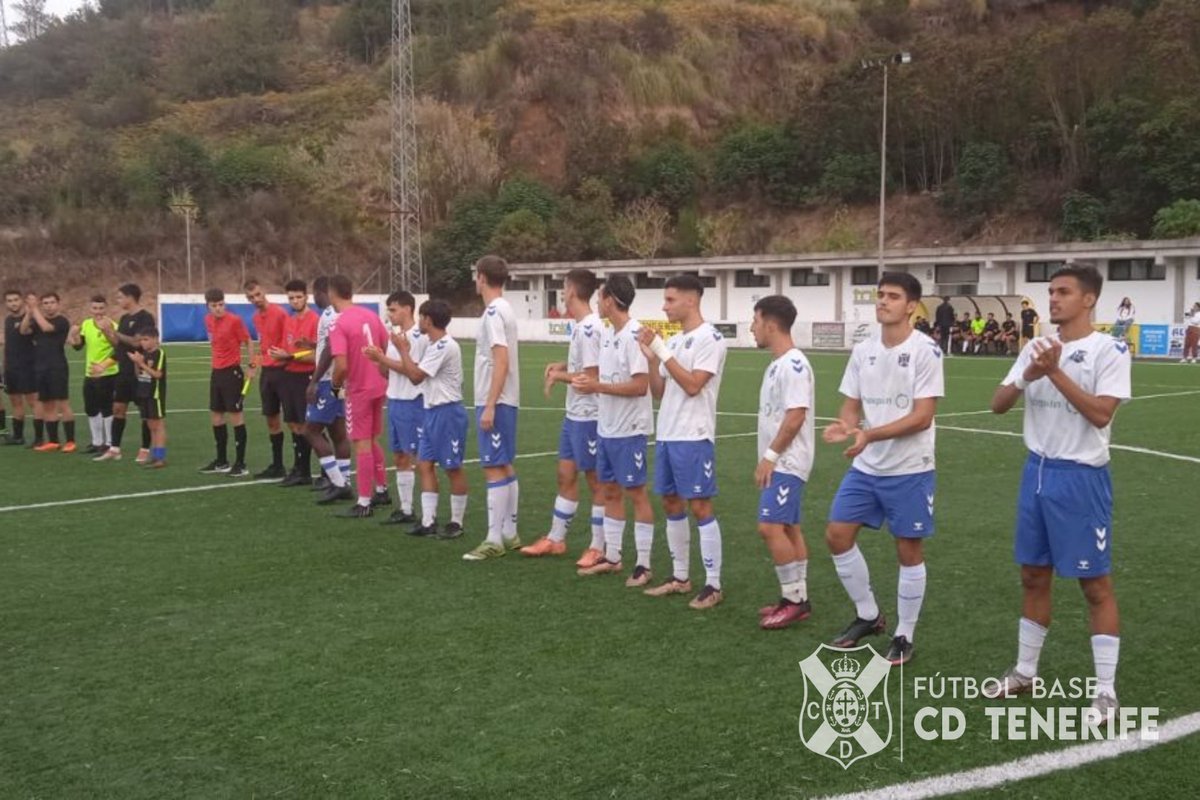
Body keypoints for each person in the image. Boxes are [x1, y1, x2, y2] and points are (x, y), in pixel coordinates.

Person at [985, 265, 1131, 722]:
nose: (1053, 299)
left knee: (1094, 584)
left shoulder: (1109, 349)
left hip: (1080, 478)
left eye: (1063, 292)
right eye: (1050, 292)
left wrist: (1055, 373)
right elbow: (998, 404)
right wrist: (1031, 371)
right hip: (1038, 474)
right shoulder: (1036, 346)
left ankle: (1105, 691)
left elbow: (1101, 414)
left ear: (1088, 300)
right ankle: (1026, 672)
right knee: (1033, 576)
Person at [822, 272, 944, 666]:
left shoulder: (926, 350)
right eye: (880, 295)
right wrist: (847, 426)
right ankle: (869, 614)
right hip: (867, 466)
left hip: (910, 468)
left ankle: (904, 635)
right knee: (837, 535)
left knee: (908, 549)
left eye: (892, 297)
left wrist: (869, 435)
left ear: (911, 306)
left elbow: (923, 417)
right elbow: (850, 403)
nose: (883, 302)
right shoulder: (864, 349)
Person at [638, 274, 729, 610]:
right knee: (671, 504)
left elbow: (693, 385)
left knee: (701, 507)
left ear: (691, 300)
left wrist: (660, 350)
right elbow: (660, 391)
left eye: (670, 300)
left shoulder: (711, 338)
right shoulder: (674, 342)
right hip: (668, 434)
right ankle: (680, 577)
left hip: (693, 436)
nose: (664, 306)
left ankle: (713, 584)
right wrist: (652, 359)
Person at [571, 275, 655, 582]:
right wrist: (585, 383)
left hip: (630, 429)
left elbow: (640, 386)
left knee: (636, 493)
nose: (596, 302)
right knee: (610, 491)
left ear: (609, 300)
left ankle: (644, 563)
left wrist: (597, 386)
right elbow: (601, 381)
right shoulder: (608, 334)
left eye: (600, 297)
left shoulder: (635, 335)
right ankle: (613, 556)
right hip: (607, 429)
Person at [522, 268, 605, 560]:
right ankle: (556, 539)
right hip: (574, 416)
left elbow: (591, 379)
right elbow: (585, 367)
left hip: (591, 416)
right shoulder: (581, 326)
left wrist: (560, 378)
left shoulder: (591, 328)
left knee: (596, 481)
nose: (562, 291)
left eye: (564, 286)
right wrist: (562, 366)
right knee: (565, 474)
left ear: (571, 290)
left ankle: (598, 546)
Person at [377, 299, 469, 538]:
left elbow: (416, 376)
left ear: (428, 320)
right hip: (431, 411)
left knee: (452, 467)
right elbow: (415, 371)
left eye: (422, 318)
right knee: (424, 464)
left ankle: (457, 522)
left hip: (447, 412)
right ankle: (428, 521)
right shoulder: (434, 345)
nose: (419, 321)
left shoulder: (445, 346)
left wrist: (403, 350)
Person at [751, 295, 816, 630]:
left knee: (770, 526)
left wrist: (770, 458)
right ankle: (797, 594)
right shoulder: (779, 363)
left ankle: (794, 601)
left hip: (788, 461)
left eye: (755, 321)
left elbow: (795, 416)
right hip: (785, 460)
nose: (752, 328)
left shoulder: (793, 364)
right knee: (789, 527)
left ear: (770, 324)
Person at [463, 255, 523, 561]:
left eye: (476, 275)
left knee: (492, 466)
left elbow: (501, 359)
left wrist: (489, 404)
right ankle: (509, 533)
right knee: (504, 464)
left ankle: (493, 538)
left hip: (497, 400)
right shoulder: (504, 308)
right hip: (503, 399)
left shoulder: (494, 312)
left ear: (483, 277)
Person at [328, 274, 391, 519]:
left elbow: (341, 366)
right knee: (373, 438)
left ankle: (364, 501)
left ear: (332, 294)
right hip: (379, 385)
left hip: (359, 390)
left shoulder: (339, 323)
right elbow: (385, 348)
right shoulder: (371, 315)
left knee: (361, 442)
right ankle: (382, 489)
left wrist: (334, 388)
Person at [365, 291, 427, 525]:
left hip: (413, 402)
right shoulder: (396, 336)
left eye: (393, 309)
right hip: (396, 400)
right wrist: (377, 358)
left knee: (421, 459)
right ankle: (406, 508)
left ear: (407, 309)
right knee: (400, 456)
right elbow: (388, 372)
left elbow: (413, 371)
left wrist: (383, 359)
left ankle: (428, 512)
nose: (388, 314)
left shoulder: (418, 336)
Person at [304, 276, 353, 504]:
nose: (312, 297)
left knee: (311, 431)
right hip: (340, 381)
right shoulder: (340, 314)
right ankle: (345, 482)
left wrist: (314, 381)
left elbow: (332, 347)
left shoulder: (330, 313)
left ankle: (338, 483)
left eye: (313, 292)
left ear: (322, 291)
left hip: (328, 380)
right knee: (337, 432)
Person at [96, 283, 155, 463]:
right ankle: (115, 449)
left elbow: (137, 343)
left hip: (140, 371)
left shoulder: (145, 317)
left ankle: (145, 449)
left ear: (130, 297)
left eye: (121, 297)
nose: (118, 300)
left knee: (144, 412)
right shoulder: (123, 319)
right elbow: (119, 345)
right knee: (118, 409)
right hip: (124, 373)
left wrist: (115, 332)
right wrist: (107, 332)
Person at [269, 280, 319, 486]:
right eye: (291, 298)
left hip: (306, 377)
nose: (295, 301)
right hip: (288, 375)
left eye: (299, 297)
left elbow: (317, 354)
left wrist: (289, 356)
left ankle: (313, 471)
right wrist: (279, 355)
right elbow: (286, 348)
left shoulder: (315, 319)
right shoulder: (289, 320)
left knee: (308, 425)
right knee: (293, 424)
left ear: (306, 297)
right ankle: (300, 468)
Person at [201, 288, 251, 477]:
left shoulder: (235, 321)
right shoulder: (207, 321)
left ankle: (241, 463)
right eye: (214, 306)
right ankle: (222, 461)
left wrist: (252, 364)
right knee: (216, 415)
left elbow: (248, 341)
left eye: (221, 304)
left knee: (236, 416)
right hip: (217, 372)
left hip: (232, 372)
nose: (218, 309)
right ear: (208, 306)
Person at [245, 280, 291, 480]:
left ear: (264, 292)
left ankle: (302, 467)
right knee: (271, 419)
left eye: (257, 294)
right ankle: (278, 465)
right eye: (251, 297)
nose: (256, 299)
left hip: (283, 372)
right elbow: (262, 344)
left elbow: (289, 339)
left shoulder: (280, 313)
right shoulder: (256, 318)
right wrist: (254, 365)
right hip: (267, 373)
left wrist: (285, 358)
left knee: (294, 421)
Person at [22, 292, 76, 453]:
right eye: (45, 303)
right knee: (47, 404)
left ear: (58, 304)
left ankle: (71, 441)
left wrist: (35, 309)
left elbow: (46, 328)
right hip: (41, 367)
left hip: (57, 366)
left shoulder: (62, 321)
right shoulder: (37, 319)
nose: (49, 306)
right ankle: (53, 441)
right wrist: (29, 312)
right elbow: (24, 330)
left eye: (52, 302)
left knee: (62, 403)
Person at [68, 294, 118, 455]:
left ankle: (110, 443)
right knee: (90, 408)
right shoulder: (87, 324)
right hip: (90, 374)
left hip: (108, 373)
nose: (98, 312)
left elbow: (118, 348)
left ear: (106, 308)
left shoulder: (113, 325)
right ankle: (96, 442)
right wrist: (74, 335)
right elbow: (78, 346)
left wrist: (106, 331)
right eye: (95, 308)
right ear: (90, 309)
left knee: (107, 409)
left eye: (101, 308)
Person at [128, 327, 168, 468]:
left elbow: (158, 374)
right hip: (144, 392)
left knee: (158, 425)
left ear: (155, 339)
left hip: (155, 394)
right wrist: (136, 363)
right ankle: (155, 455)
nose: (143, 343)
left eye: (146, 339)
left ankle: (160, 457)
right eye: (141, 340)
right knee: (151, 425)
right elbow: (139, 375)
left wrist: (141, 363)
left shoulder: (159, 353)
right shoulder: (144, 354)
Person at [3, 288, 38, 446]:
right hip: (12, 368)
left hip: (28, 367)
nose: (13, 303)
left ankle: (39, 437)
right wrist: (5, 367)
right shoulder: (8, 320)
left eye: (15, 300)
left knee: (33, 402)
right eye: (9, 301)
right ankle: (18, 436)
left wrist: (30, 311)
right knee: (15, 402)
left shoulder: (31, 319)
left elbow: (25, 332)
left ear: (22, 301)